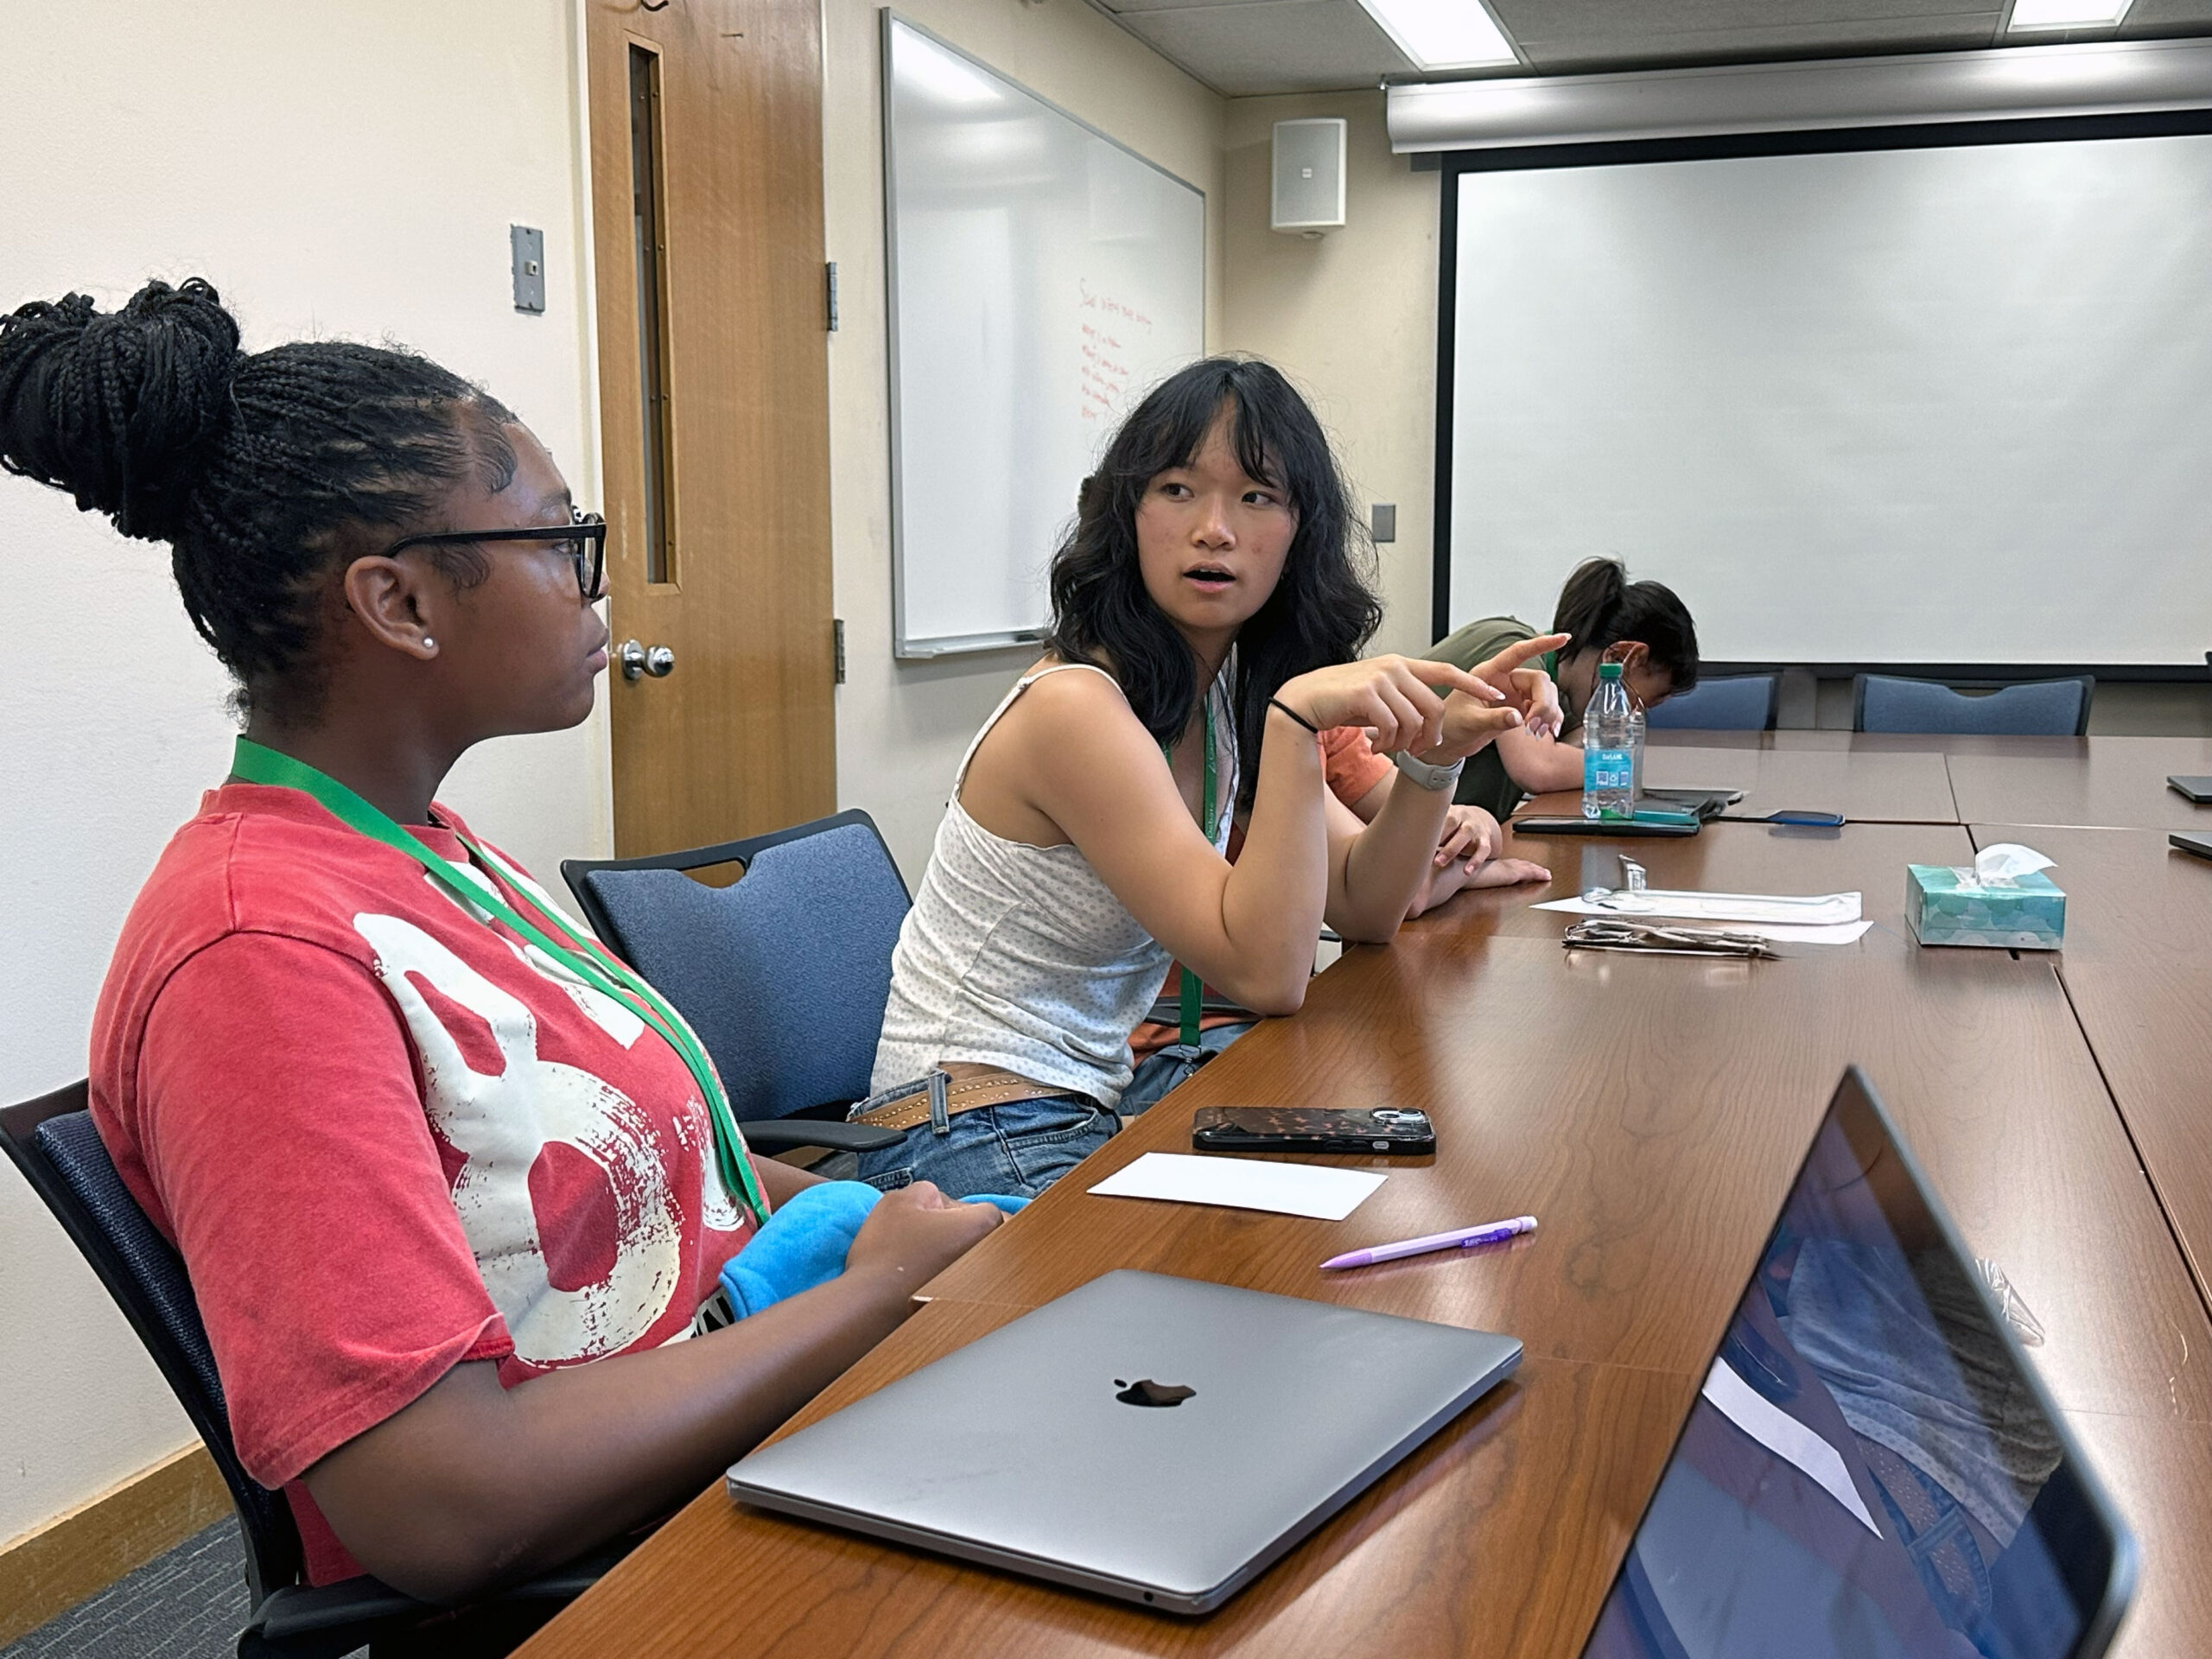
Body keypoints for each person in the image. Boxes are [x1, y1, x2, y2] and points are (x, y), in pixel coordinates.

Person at [0, 278, 1003, 1615]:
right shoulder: (256, 957)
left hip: (741, 1444)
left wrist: (882, 1237)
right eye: (561, 538)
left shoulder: (432, 854)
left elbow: (660, 1174)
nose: (598, 582)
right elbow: (441, 1505)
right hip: (639, 1575)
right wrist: (871, 1297)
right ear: (402, 601)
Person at [849, 357, 1566, 1198]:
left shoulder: (1215, 695)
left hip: (1068, 1112)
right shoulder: (1075, 709)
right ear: (1127, 516)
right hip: (958, 1130)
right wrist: (1294, 725)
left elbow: (1365, 907)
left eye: (1256, 497)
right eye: (1177, 489)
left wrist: (1435, 759)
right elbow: (1269, 976)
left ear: (1299, 533)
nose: (1214, 529)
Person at [1430, 556, 1700, 822]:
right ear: (1618, 658)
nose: (1631, 714)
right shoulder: (1515, 653)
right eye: (1637, 701)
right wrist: (1624, 763)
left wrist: (1597, 736)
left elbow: (1576, 743)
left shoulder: (1563, 689)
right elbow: (1539, 768)